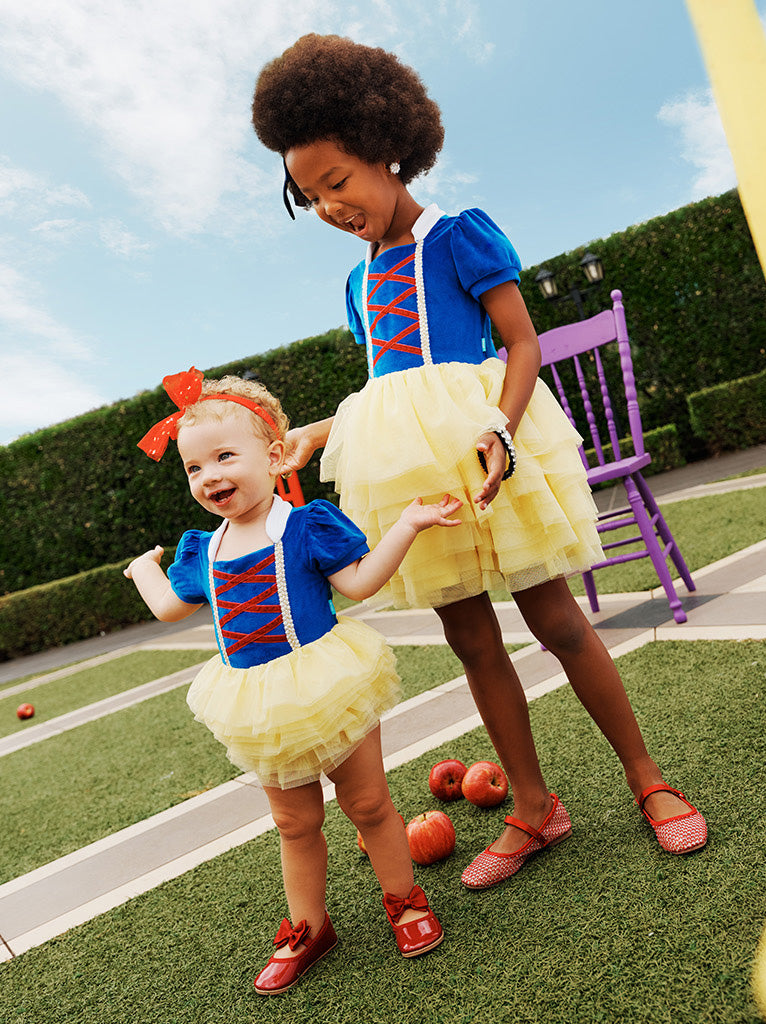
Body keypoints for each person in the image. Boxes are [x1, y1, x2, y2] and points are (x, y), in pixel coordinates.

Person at [250, 35, 708, 891]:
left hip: (488, 444)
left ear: (385, 146)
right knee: (470, 639)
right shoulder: (357, 282)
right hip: (415, 474)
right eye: (310, 197)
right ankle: (533, 807)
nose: (329, 206)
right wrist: (316, 433)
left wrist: (501, 427)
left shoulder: (458, 236)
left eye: (337, 181)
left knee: (558, 621)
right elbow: (392, 387)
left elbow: (522, 344)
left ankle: (649, 778)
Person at [125, 367, 461, 994]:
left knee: (367, 804)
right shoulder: (203, 549)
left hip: (329, 684)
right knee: (294, 823)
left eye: (225, 456)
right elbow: (170, 607)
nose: (210, 475)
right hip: (258, 703)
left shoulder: (306, 526)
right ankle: (310, 926)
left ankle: (404, 900)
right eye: (194, 467)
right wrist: (144, 568)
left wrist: (407, 526)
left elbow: (360, 583)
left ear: (276, 456)